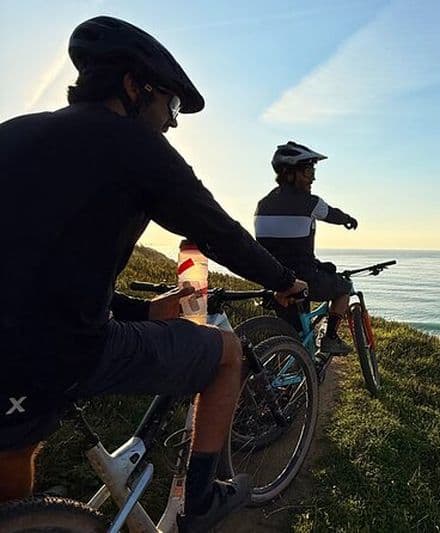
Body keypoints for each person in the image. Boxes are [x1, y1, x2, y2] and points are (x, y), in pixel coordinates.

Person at [0, 16, 306, 531]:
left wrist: (141, 309)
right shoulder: (133, 147)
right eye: (173, 103)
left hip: (24, 341)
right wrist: (283, 281)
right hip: (51, 349)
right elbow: (218, 233)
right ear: (133, 87)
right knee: (227, 354)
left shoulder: (14, 133)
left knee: (13, 469)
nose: (174, 120)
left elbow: (38, 263)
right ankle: (200, 502)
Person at [254, 142, 358, 354]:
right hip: (303, 280)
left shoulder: (262, 205)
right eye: (308, 171)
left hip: (275, 282)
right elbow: (333, 214)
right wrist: (348, 219)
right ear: (289, 173)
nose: (313, 178)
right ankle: (330, 339)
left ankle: (292, 378)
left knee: (294, 339)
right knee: (344, 288)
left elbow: (281, 249)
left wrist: (318, 263)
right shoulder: (310, 203)